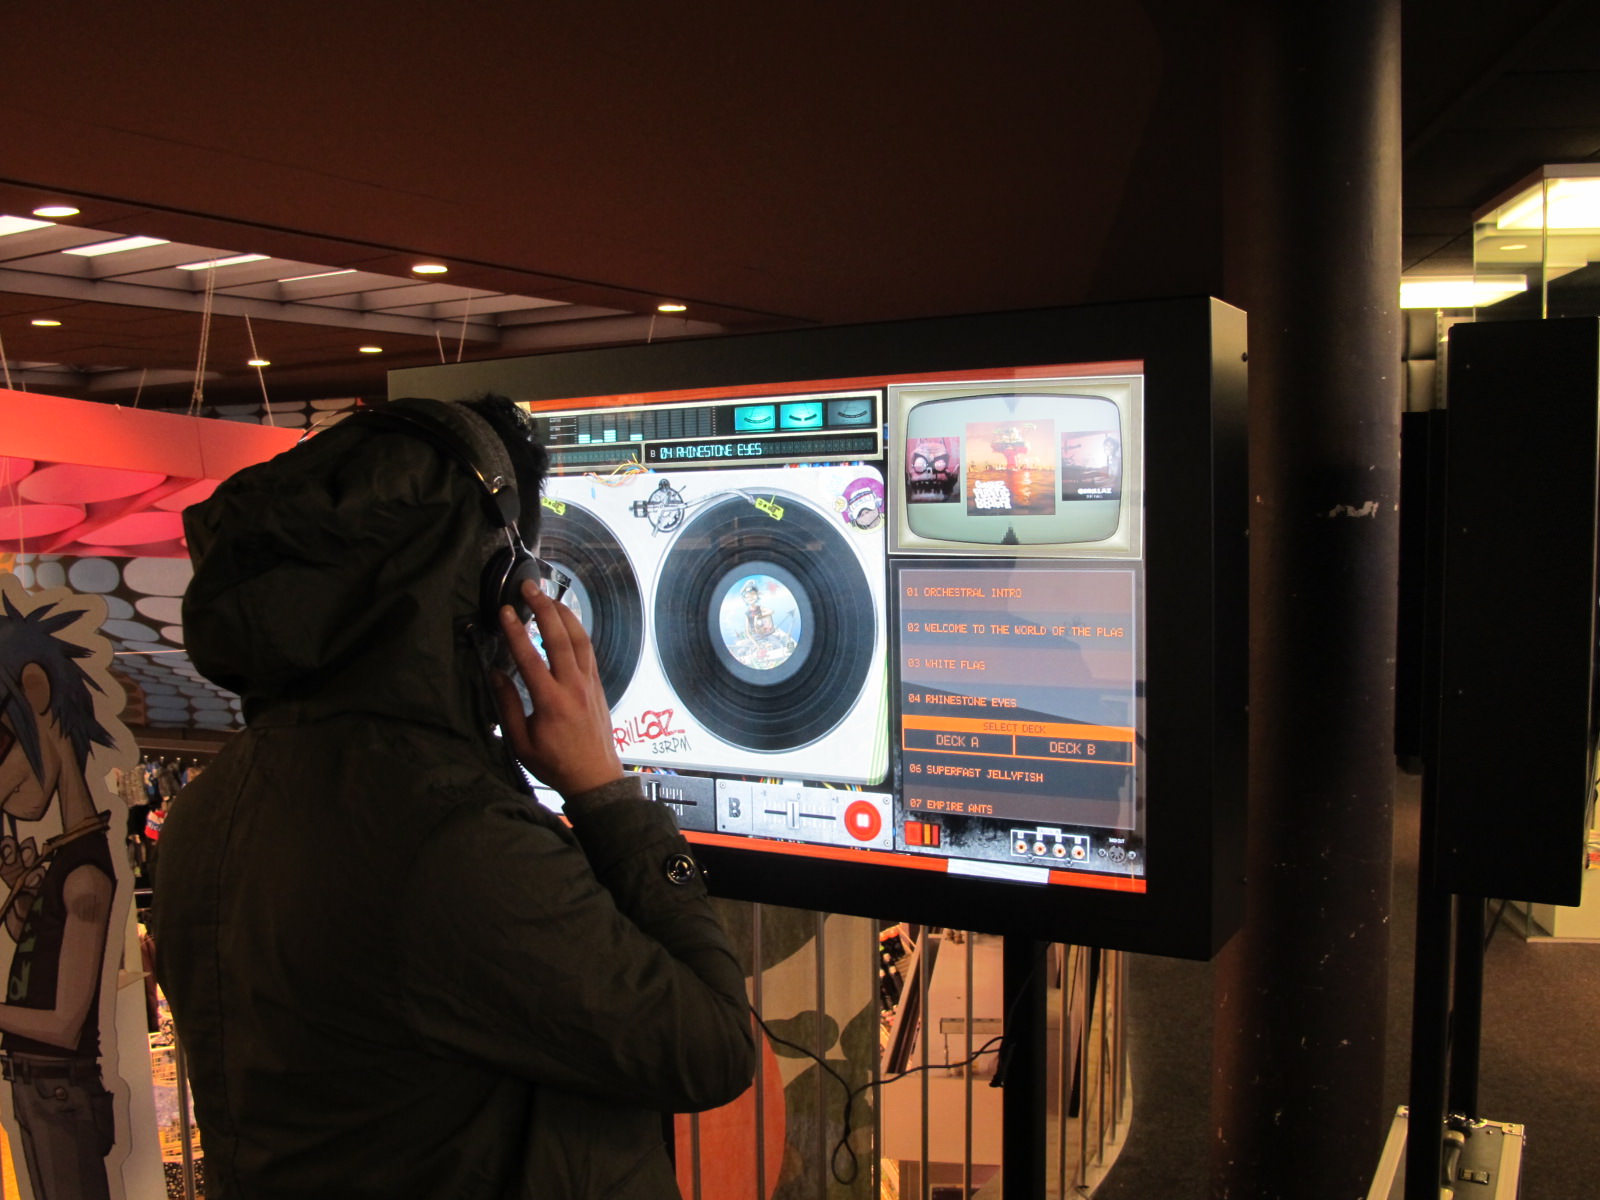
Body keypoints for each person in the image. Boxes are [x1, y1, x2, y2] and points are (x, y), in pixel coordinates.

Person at [153, 396, 755, 1199]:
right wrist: (604, 792)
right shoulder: (455, 842)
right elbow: (712, 1048)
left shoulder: (209, 810)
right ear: (497, 588)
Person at [0, 588, 121, 1200]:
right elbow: (44, 956)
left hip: (57, 1086)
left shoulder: (84, 876)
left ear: (36, 692)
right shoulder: (68, 860)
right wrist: (21, 899)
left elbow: (66, 1022)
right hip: (42, 1086)